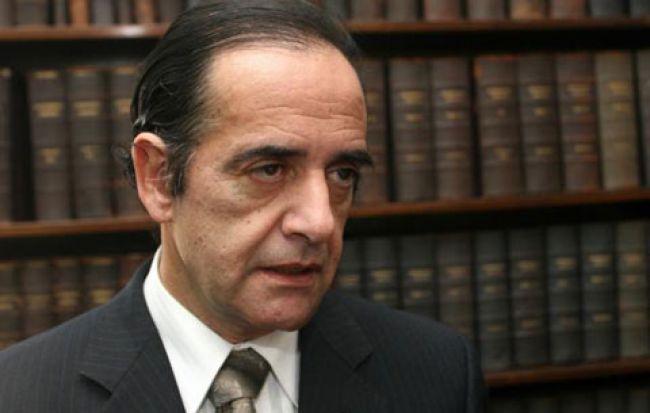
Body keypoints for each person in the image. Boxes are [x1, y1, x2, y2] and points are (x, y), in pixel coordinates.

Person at [0, 1, 484, 411]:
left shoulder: (438, 374)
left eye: (342, 174)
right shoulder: (21, 395)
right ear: (159, 178)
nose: (319, 222)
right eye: (269, 170)